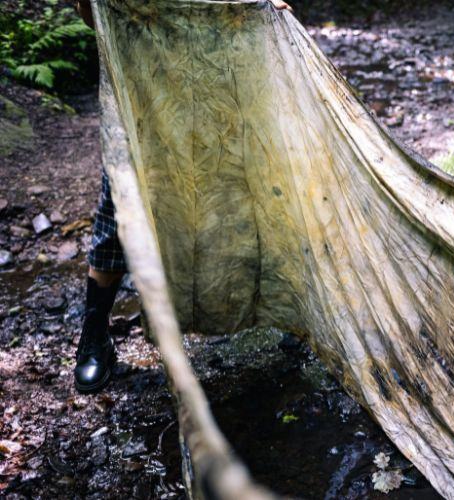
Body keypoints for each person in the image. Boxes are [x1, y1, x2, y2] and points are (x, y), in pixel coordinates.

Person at [72, 0, 292, 394]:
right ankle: (94, 341)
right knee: (118, 214)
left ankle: (286, 313)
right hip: (143, 91)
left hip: (217, 82)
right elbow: (93, 17)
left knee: (251, 197)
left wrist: (261, 7)